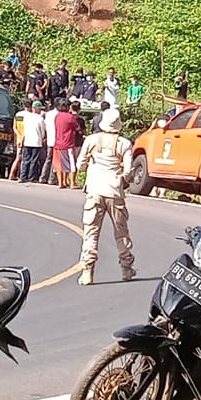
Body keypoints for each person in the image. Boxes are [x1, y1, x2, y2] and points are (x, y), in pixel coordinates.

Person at [76, 109, 137, 285]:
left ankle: (87, 271)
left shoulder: (91, 140)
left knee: (91, 232)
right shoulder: (124, 143)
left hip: (95, 190)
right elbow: (128, 171)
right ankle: (127, 268)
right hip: (115, 191)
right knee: (121, 232)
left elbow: (81, 164)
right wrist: (121, 179)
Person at [53, 97, 83, 189]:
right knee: (72, 163)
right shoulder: (70, 117)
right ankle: (72, 183)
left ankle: (61, 182)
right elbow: (78, 128)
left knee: (59, 163)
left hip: (58, 143)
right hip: (68, 143)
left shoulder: (57, 116)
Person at [18, 101, 47, 184]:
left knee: (26, 159)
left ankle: (22, 176)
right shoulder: (40, 119)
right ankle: (31, 177)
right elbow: (42, 132)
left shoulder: (27, 117)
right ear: (37, 109)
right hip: (36, 142)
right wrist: (41, 138)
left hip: (27, 141)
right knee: (34, 160)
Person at [40, 99, 60, 184]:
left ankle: (43, 177)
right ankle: (51, 178)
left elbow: (45, 126)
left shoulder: (48, 114)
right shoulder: (59, 115)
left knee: (48, 159)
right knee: (55, 160)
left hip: (49, 139)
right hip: (57, 139)